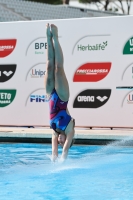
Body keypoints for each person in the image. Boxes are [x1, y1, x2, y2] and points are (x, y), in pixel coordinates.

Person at [44, 23, 75, 162]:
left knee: (49, 65)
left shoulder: (54, 131)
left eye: (60, 142)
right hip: (62, 97)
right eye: (63, 142)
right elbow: (64, 152)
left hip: (50, 94)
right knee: (58, 68)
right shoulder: (70, 129)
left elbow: (54, 153)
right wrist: (63, 159)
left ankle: (48, 37)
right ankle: (55, 37)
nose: (61, 142)